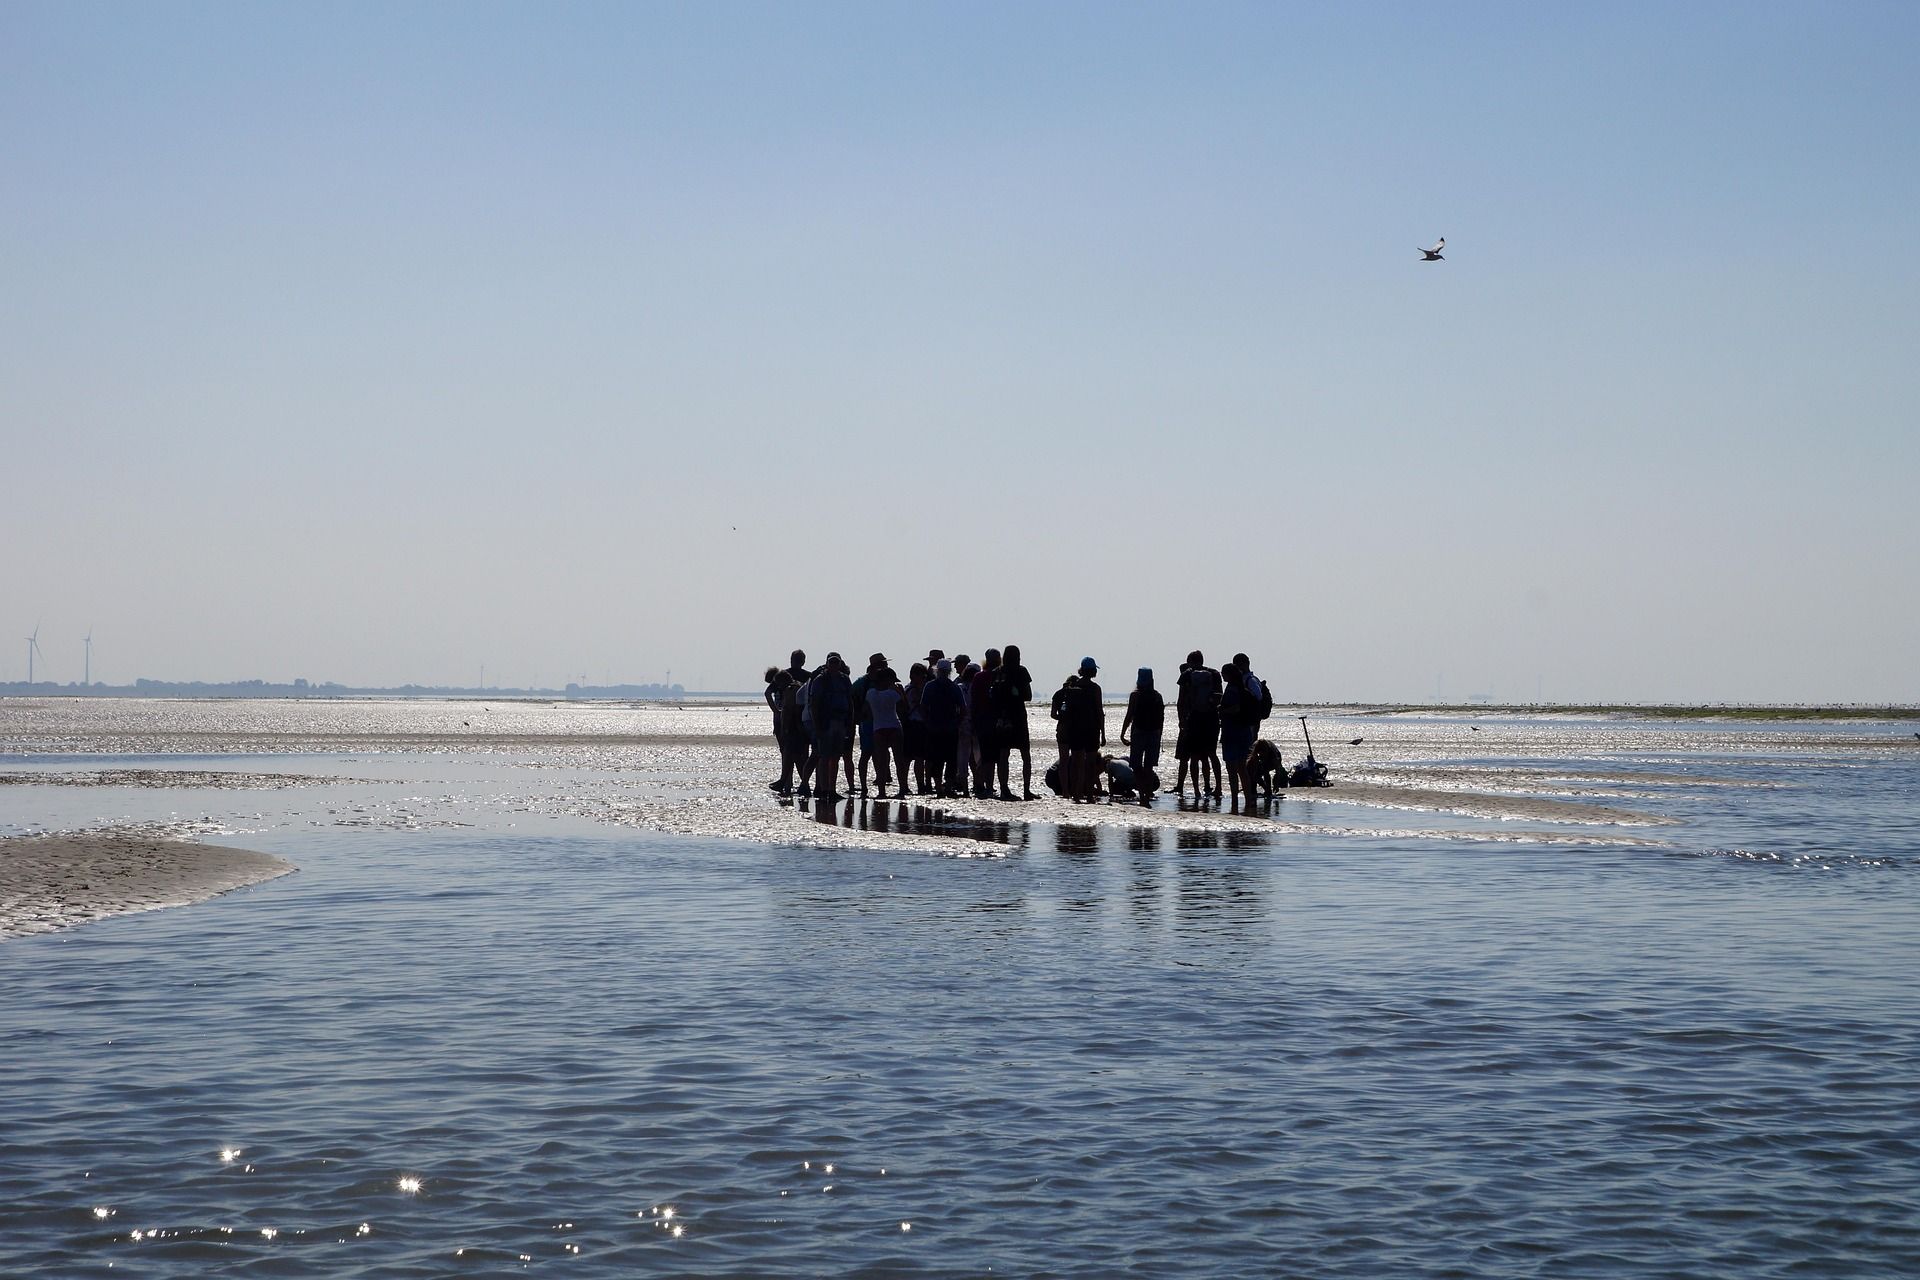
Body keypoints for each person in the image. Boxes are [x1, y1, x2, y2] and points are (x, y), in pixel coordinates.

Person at [807, 653, 857, 801]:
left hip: (841, 721)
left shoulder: (844, 679)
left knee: (835, 756)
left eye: (837, 662)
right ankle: (823, 789)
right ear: (827, 664)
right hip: (825, 722)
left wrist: (850, 721)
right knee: (824, 756)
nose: (835, 665)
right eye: (832, 662)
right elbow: (814, 703)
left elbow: (850, 701)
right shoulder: (820, 680)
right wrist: (817, 724)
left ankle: (832, 789)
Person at [1175, 651, 1224, 800]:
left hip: (1194, 718)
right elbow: (1219, 697)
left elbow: (1181, 700)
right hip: (1211, 719)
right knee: (1211, 755)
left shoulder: (1187, 674)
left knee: (1194, 756)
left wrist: (1182, 720)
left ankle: (1196, 791)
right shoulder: (1214, 674)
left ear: (1190, 661)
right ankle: (1218, 788)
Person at [994, 644, 1036, 799]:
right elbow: (1028, 696)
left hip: (1002, 717)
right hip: (1018, 716)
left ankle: (1004, 789)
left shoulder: (997, 672)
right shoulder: (1021, 671)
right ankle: (1026, 790)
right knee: (1025, 755)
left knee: (1003, 754)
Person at [1119, 668, 1163, 808]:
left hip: (1139, 732)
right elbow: (1161, 718)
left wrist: (1123, 733)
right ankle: (1147, 796)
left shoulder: (1135, 695)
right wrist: (1159, 734)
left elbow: (1129, 715)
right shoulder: (1157, 695)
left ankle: (1143, 795)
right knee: (1149, 766)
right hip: (1154, 733)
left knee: (1137, 766)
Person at [920, 658, 964, 797]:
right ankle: (948, 788)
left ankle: (939, 789)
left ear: (937, 671)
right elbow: (963, 708)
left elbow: (923, 707)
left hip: (935, 729)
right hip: (949, 729)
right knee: (950, 760)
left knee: (937, 759)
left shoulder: (930, 686)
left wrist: (926, 722)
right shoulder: (954, 687)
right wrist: (958, 722)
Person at [1064, 657, 1105, 802]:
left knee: (1077, 764)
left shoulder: (1072, 688)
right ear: (1093, 671)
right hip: (1092, 729)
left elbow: (1068, 712)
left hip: (1076, 729)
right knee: (1090, 764)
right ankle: (1088, 794)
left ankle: (1076, 794)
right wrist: (1103, 733)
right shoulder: (1095, 689)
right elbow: (1099, 712)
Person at [1218, 661, 1256, 808]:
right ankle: (1247, 799)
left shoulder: (1232, 689)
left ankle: (1235, 800)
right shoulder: (1242, 688)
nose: (1221, 675)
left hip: (1232, 732)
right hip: (1244, 732)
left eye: (1223, 672)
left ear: (1229, 674)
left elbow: (1235, 708)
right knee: (1242, 768)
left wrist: (1221, 710)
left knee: (1232, 768)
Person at [867, 668, 909, 799]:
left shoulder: (870, 693)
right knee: (899, 760)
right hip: (894, 726)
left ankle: (882, 792)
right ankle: (903, 788)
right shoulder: (893, 693)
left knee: (881, 761)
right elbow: (904, 707)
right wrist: (900, 691)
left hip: (878, 727)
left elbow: (867, 711)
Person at [970, 650, 1001, 798]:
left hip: (983, 720)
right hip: (992, 721)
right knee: (992, 757)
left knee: (983, 756)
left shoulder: (979, 676)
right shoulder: (997, 676)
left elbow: (973, 701)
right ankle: (988, 785)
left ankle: (983, 785)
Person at [954, 659, 981, 799]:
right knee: (978, 757)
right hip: (976, 725)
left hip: (962, 725)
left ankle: (965, 789)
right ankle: (979, 784)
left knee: (962, 757)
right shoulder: (978, 688)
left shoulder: (958, 687)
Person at [903, 662, 931, 795]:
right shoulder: (908, 689)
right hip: (912, 724)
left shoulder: (926, 688)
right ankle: (905, 785)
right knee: (908, 758)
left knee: (920, 757)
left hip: (922, 725)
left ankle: (921, 785)